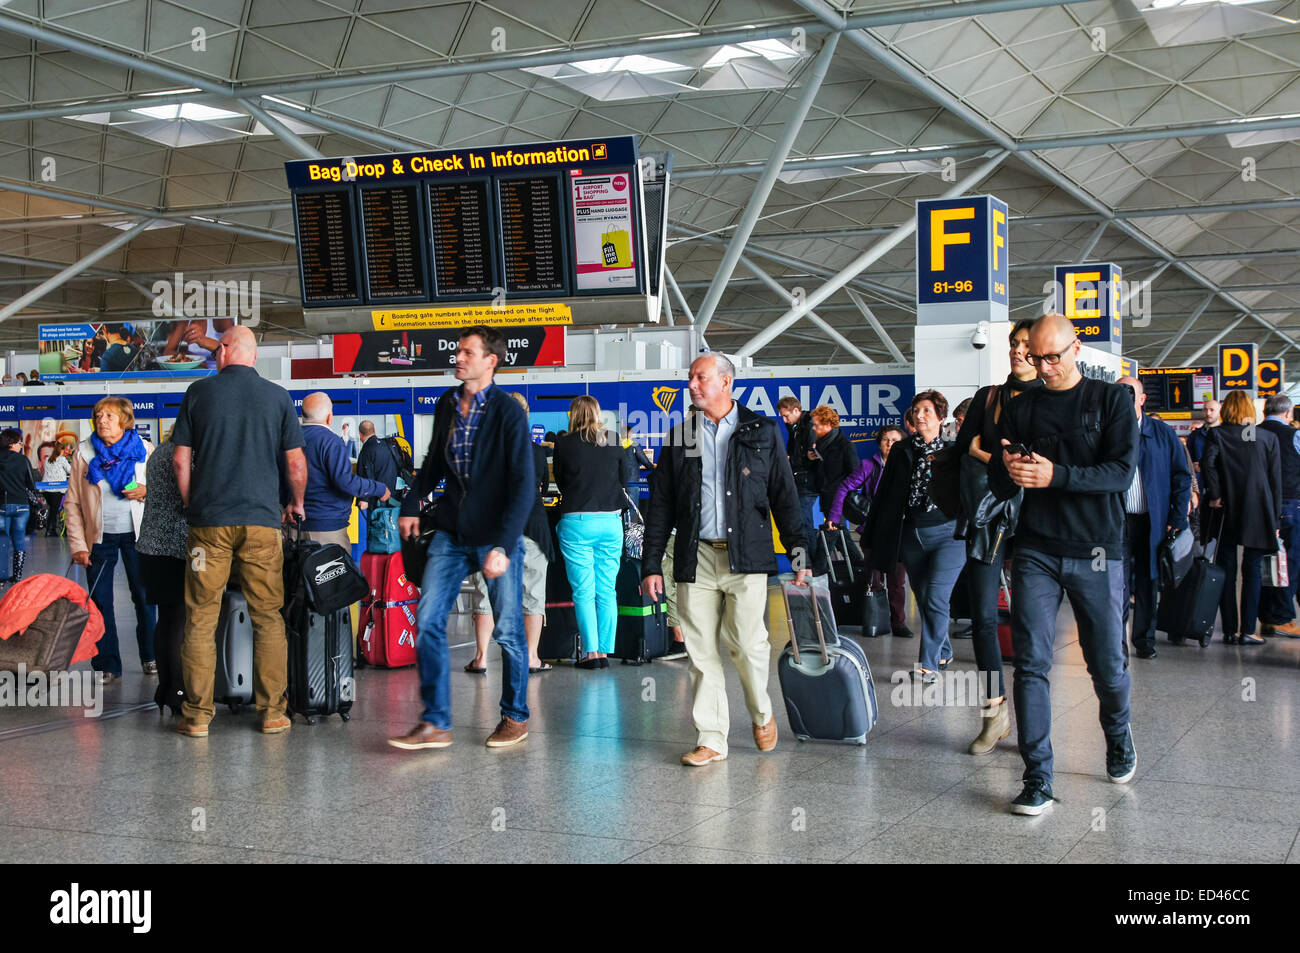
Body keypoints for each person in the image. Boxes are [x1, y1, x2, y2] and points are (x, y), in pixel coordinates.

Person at [988, 313, 1138, 816]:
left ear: (1078, 347)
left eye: (1054, 356)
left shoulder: (1112, 400)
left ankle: (1117, 734)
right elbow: (998, 480)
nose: (1045, 366)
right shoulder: (1020, 406)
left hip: (1097, 548)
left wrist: (1056, 476)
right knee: (1030, 663)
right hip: (1036, 548)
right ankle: (1037, 777)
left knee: (1106, 665)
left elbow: (1119, 473)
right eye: (1036, 358)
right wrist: (1008, 471)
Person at [642, 352, 810, 766]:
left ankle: (761, 713)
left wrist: (800, 554)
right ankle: (712, 737)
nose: (692, 385)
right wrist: (650, 564)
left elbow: (784, 498)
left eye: (701, 378)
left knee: (748, 646)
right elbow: (661, 505)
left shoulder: (763, 431)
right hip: (695, 557)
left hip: (746, 558)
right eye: (690, 378)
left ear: (726, 383)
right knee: (700, 653)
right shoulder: (680, 436)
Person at [391, 326, 534, 752]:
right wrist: (412, 502)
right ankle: (436, 722)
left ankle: (515, 716)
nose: (458, 357)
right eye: (458, 350)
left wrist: (503, 546)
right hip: (452, 532)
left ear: (491, 360)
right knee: (429, 618)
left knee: (508, 630)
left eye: (468, 352)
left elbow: (523, 484)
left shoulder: (508, 412)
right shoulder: (447, 405)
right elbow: (433, 463)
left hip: (495, 535)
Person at [172, 326, 307, 737]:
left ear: (227, 350)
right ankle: (271, 713)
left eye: (218, 349)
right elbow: (296, 465)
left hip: (208, 526)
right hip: (262, 525)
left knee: (200, 616)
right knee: (268, 617)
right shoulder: (278, 396)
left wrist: (191, 504)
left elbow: (180, 461)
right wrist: (295, 503)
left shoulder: (199, 392)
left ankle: (196, 716)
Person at [951, 317, 1042, 754]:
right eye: (1013, 344)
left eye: (1025, 344)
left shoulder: (1053, 398)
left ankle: (1035, 722)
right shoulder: (990, 398)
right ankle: (994, 712)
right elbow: (964, 444)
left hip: (1040, 522)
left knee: (1031, 623)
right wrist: (1008, 462)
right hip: (989, 518)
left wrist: (993, 456)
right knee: (984, 620)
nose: (1017, 350)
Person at [864, 390, 963, 682]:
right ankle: (943, 648)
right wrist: (875, 531)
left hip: (949, 535)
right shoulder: (902, 450)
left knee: (936, 597)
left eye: (927, 411)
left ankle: (929, 664)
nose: (920, 416)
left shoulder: (955, 450)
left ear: (941, 417)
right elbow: (886, 493)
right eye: (916, 410)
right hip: (911, 533)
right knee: (923, 597)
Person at [463, 391, 557, 675]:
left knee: (484, 592)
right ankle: (530, 657)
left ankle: (480, 658)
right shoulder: (537, 452)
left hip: (492, 529)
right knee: (533, 593)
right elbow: (540, 487)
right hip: (532, 527)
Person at [63, 397, 156, 683]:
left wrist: (145, 490)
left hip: (138, 536)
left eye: (109, 416)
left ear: (125, 421)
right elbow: (73, 503)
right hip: (99, 539)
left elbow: (163, 491)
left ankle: (151, 655)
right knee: (100, 601)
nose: (102, 420)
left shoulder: (144, 449)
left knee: (144, 597)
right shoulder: (85, 452)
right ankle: (107, 664)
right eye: (99, 416)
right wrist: (78, 545)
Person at [1114, 376, 1192, 660]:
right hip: (1117, 522)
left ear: (1142, 399)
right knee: (1117, 583)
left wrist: (1177, 517)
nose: (1123, 397)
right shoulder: (1108, 432)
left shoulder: (1162, 433)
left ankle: (1144, 641)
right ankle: (1116, 644)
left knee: (1148, 581)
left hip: (1152, 522)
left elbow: (1182, 477)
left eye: (1129, 392)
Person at [1200, 390, 1281, 646]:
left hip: (1226, 508)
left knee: (1226, 570)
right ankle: (1248, 630)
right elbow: (1275, 481)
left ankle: (1228, 630)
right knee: (1253, 570)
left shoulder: (1218, 434)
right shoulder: (1267, 437)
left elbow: (1208, 464)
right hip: (1258, 510)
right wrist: (1275, 519)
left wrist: (1215, 494)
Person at [552, 396, 626, 668]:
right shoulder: (614, 439)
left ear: (573, 414)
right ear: (597, 413)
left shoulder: (564, 443)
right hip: (610, 521)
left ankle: (590, 652)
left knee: (584, 591)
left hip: (577, 522)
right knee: (607, 589)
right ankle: (605, 652)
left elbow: (560, 482)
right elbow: (625, 480)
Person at [136, 426, 190, 714]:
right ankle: (179, 693)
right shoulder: (186, 455)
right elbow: (190, 500)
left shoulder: (157, 454)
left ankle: (165, 689)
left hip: (150, 545)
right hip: (176, 546)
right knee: (180, 620)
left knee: (166, 619)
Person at [297, 393, 389, 547]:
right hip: (327, 529)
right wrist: (379, 488)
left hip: (295, 527)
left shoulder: (289, 440)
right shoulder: (330, 441)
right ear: (329, 417)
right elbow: (345, 481)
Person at [1256, 395, 1300, 638]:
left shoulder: (1251, 433)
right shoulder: (1294, 435)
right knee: (1288, 561)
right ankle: (1281, 617)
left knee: (1262, 561)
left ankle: (1267, 617)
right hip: (1290, 504)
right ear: (1288, 413)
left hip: (1258, 506)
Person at [777, 396, 822, 572]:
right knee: (800, 522)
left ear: (796, 410)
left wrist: (792, 459)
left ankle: (810, 565)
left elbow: (811, 454)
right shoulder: (794, 427)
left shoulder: (809, 426)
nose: (783, 419)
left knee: (802, 523)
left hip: (807, 481)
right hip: (799, 479)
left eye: (786, 415)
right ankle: (808, 565)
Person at [810, 405, 856, 531]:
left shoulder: (845, 446)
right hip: (825, 497)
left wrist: (842, 493)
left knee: (835, 535)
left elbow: (854, 474)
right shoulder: (820, 444)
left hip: (839, 500)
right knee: (840, 537)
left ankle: (819, 552)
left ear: (828, 424)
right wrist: (811, 459)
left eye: (816, 425)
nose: (813, 428)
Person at [0, 428, 36, 586]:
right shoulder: (23, 460)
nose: (21, 446)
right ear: (12, 443)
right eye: (19, 443)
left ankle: (1, 578)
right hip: (22, 506)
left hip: (2, 505)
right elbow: (31, 484)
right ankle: (17, 576)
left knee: (2, 541)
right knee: (19, 540)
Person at [355, 419, 399, 510]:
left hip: (376, 499)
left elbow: (366, 476)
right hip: (393, 497)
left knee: (376, 523)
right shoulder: (388, 445)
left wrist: (364, 499)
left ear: (360, 434)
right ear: (374, 431)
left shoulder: (366, 450)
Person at [41, 441, 73, 538]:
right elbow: (70, 470)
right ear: (61, 450)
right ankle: (50, 531)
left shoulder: (47, 460)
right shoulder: (62, 459)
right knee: (54, 510)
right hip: (57, 488)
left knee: (52, 509)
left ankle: (50, 529)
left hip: (46, 488)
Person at [620, 424, 655, 505]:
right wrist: (652, 467)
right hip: (632, 481)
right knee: (633, 507)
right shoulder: (634, 445)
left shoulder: (617, 445)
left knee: (623, 507)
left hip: (620, 481)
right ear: (630, 434)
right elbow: (645, 461)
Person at [1186, 399, 1220, 470]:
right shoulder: (1194, 435)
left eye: (1212, 410)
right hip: (1201, 478)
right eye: (1205, 410)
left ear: (1219, 412)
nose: (1208, 413)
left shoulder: (1227, 434)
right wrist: (1192, 466)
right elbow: (1188, 459)